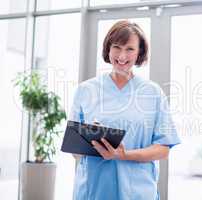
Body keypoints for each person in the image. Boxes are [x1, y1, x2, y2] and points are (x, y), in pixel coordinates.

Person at [69, 20, 180, 200]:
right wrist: (92, 139)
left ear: (139, 53)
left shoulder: (153, 93)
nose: (122, 56)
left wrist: (123, 155)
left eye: (130, 49)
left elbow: (163, 149)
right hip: (94, 189)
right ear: (108, 49)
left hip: (137, 191)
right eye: (117, 47)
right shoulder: (85, 90)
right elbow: (75, 150)